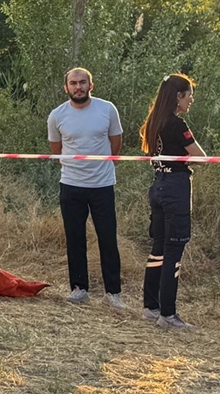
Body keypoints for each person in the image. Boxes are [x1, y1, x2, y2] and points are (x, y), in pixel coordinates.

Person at [47, 67, 125, 309]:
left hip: (102, 185)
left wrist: (99, 168)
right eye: (73, 83)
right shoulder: (57, 115)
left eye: (82, 83)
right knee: (74, 238)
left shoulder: (107, 109)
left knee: (107, 238)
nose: (78, 87)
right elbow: (56, 149)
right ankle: (79, 288)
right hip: (71, 185)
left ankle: (113, 293)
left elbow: (116, 144)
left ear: (91, 85)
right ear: (66, 87)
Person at [139, 74, 207, 329]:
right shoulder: (177, 124)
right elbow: (200, 157)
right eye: (189, 95)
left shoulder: (154, 121)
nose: (191, 101)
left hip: (158, 185)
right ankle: (167, 314)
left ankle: (151, 307)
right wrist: (186, 159)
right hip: (176, 188)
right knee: (173, 251)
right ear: (178, 96)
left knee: (158, 248)